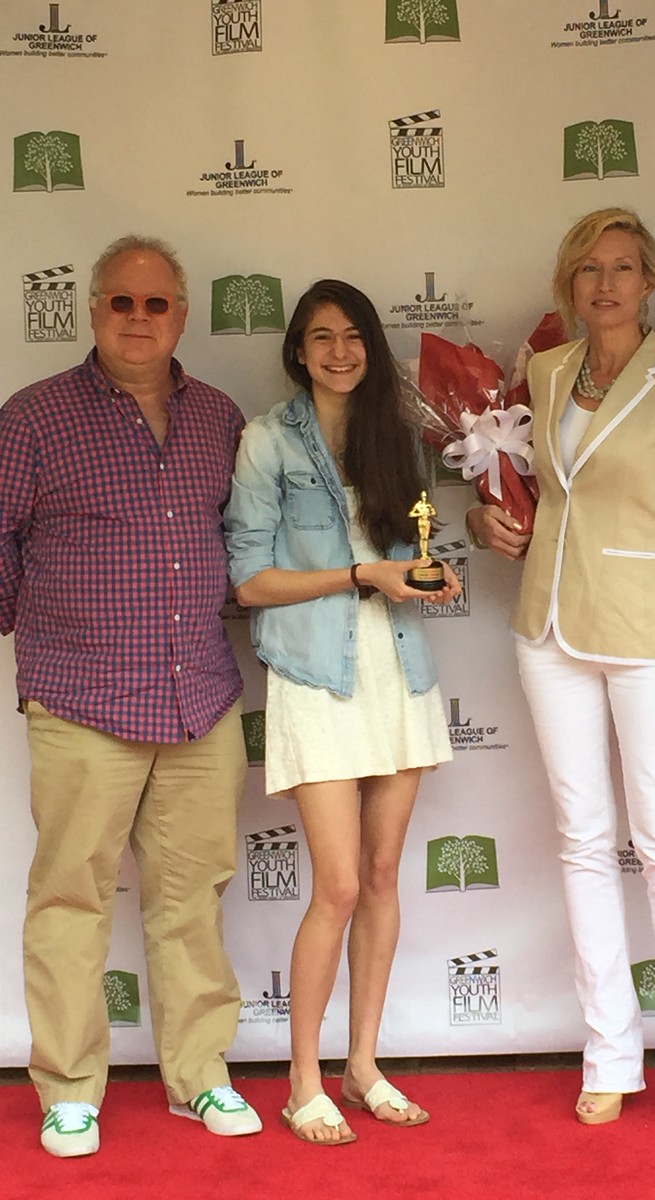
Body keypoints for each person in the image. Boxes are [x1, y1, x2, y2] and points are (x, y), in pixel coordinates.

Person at [468, 209, 655, 1137]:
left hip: (649, 639)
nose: (605, 285)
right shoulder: (544, 374)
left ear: (651, 281)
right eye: (588, 270)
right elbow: (539, 502)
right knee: (583, 842)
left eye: (623, 268)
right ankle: (609, 1052)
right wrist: (484, 525)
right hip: (546, 631)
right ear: (567, 285)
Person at [0, 235, 262, 1158]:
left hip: (201, 702)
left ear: (183, 315)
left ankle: (201, 1075)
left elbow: (249, 543)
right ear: (95, 312)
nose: (138, 318)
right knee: (70, 898)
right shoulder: (32, 418)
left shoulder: (221, 418)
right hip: (82, 703)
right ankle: (70, 1087)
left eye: (156, 304)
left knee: (192, 897)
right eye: (122, 303)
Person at [225, 278, 459, 1146]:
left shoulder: (397, 435)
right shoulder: (264, 441)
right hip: (318, 675)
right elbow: (249, 581)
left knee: (388, 874)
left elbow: (411, 553)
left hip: (398, 671)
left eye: (354, 333)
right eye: (321, 336)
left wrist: (429, 577)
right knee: (340, 884)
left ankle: (362, 1066)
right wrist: (364, 576)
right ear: (298, 350)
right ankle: (302, 1081)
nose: (339, 351)